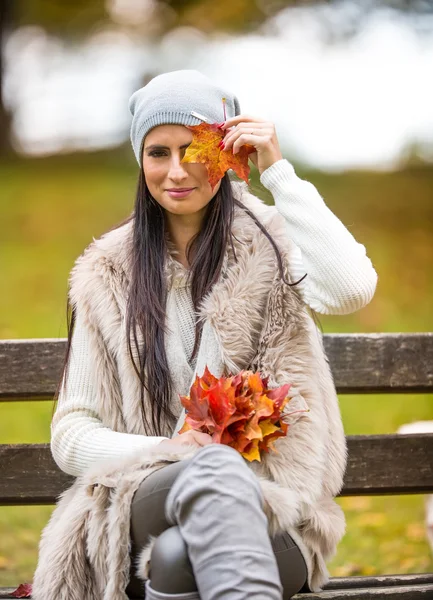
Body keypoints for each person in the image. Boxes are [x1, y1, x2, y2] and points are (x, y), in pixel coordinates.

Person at [33, 70, 378, 600]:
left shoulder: (275, 243)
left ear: (227, 154)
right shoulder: (106, 273)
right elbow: (71, 434)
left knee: (176, 559)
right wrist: (170, 449)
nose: (177, 170)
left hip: (276, 518)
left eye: (195, 149)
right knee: (212, 468)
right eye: (158, 152)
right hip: (147, 496)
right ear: (140, 159)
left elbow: (352, 290)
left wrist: (279, 173)